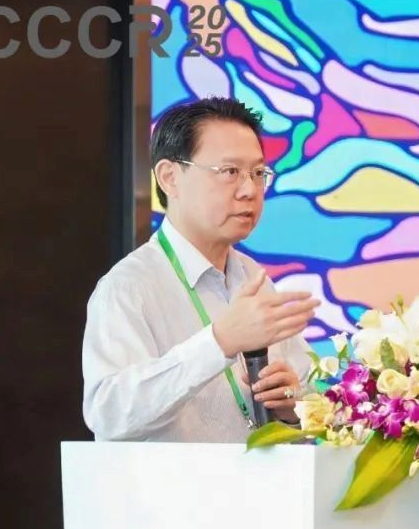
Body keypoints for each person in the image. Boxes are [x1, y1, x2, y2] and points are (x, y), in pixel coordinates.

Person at [82, 97, 319, 442]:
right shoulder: (129, 286)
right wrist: (219, 342)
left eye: (257, 174)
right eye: (230, 172)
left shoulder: (254, 279)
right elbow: (108, 412)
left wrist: (293, 409)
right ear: (169, 177)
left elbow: (311, 403)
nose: (249, 190)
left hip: (257, 477)